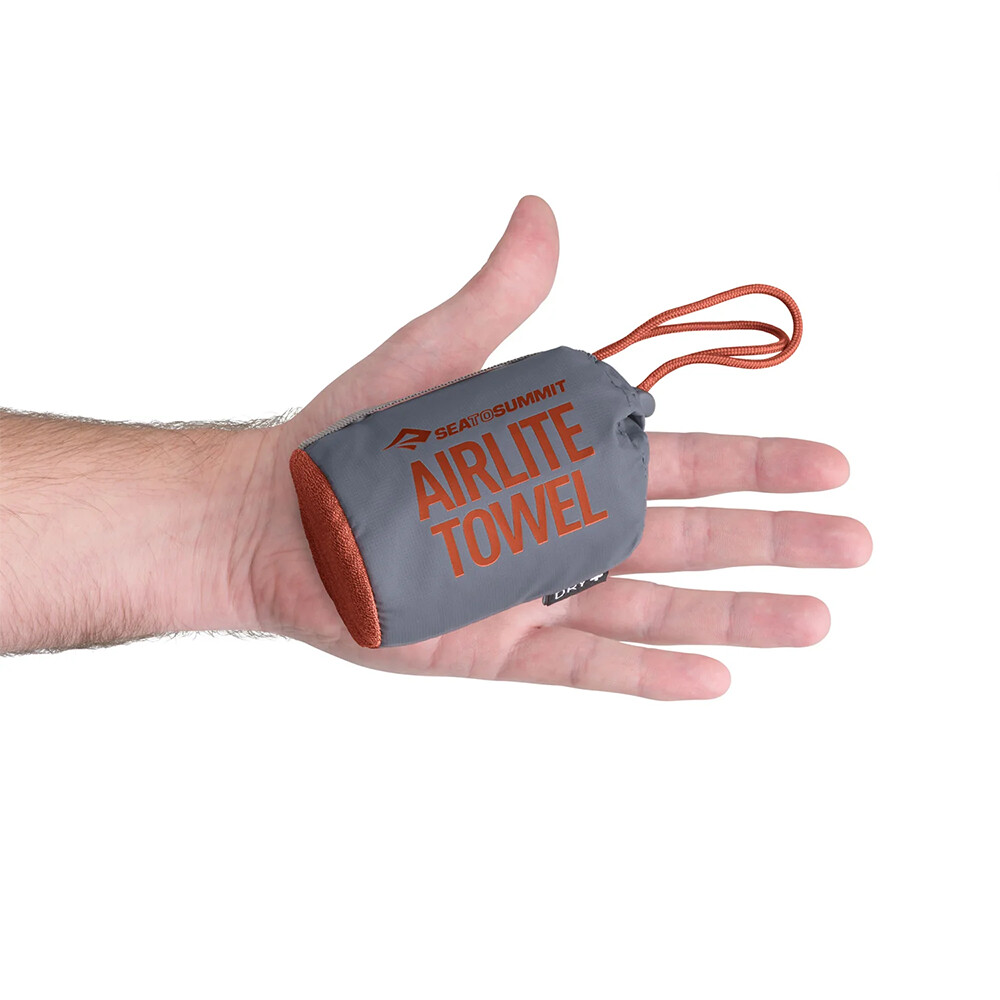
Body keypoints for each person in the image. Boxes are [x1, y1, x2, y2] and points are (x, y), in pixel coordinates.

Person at [0, 197, 871, 698]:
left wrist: (233, 530)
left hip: (330, 512)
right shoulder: (607, 470)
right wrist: (238, 526)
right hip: (323, 516)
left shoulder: (594, 428)